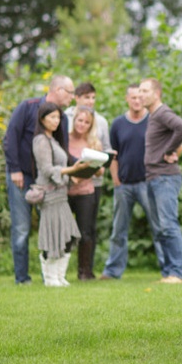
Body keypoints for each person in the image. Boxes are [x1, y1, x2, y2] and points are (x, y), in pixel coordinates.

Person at [3, 75, 75, 285]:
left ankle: (51, 277)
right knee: (22, 229)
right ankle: (22, 278)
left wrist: (77, 169)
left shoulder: (64, 118)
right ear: (59, 90)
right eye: (70, 93)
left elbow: (63, 150)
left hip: (48, 181)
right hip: (22, 178)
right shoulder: (28, 107)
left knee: (52, 227)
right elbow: (10, 138)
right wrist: (15, 169)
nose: (72, 97)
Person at [100, 84, 165, 280]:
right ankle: (112, 271)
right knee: (118, 230)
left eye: (140, 97)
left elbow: (173, 144)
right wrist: (116, 180)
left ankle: (169, 269)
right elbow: (113, 155)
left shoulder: (154, 120)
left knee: (159, 227)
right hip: (124, 185)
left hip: (149, 183)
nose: (137, 101)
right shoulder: (118, 123)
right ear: (127, 99)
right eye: (133, 97)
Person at [32, 102, 90, 286]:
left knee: (68, 235)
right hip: (49, 195)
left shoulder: (54, 140)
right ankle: (50, 278)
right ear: (42, 119)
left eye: (58, 117)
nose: (56, 121)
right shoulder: (41, 140)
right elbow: (47, 169)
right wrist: (72, 170)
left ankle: (59, 276)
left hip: (61, 193)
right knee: (52, 236)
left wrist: (77, 171)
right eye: (52, 117)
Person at [139, 77, 182, 284]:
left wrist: (168, 150)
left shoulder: (162, 113)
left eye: (145, 91)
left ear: (156, 93)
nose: (140, 95)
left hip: (165, 177)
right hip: (153, 176)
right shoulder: (153, 116)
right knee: (160, 227)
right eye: (139, 91)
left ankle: (177, 273)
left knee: (168, 225)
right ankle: (169, 272)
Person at [65, 82, 112, 258]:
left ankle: (86, 270)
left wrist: (103, 161)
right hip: (69, 182)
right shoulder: (65, 117)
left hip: (93, 182)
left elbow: (106, 148)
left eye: (93, 98)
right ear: (77, 98)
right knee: (67, 228)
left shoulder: (101, 121)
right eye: (87, 97)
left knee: (89, 228)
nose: (91, 101)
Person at [67, 106, 105, 280]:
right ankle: (58, 271)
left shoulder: (94, 143)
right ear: (74, 120)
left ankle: (84, 271)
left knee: (85, 232)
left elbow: (101, 171)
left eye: (87, 122)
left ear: (91, 125)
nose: (82, 124)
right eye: (80, 120)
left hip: (86, 192)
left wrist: (96, 168)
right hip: (66, 192)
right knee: (65, 233)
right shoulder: (64, 140)